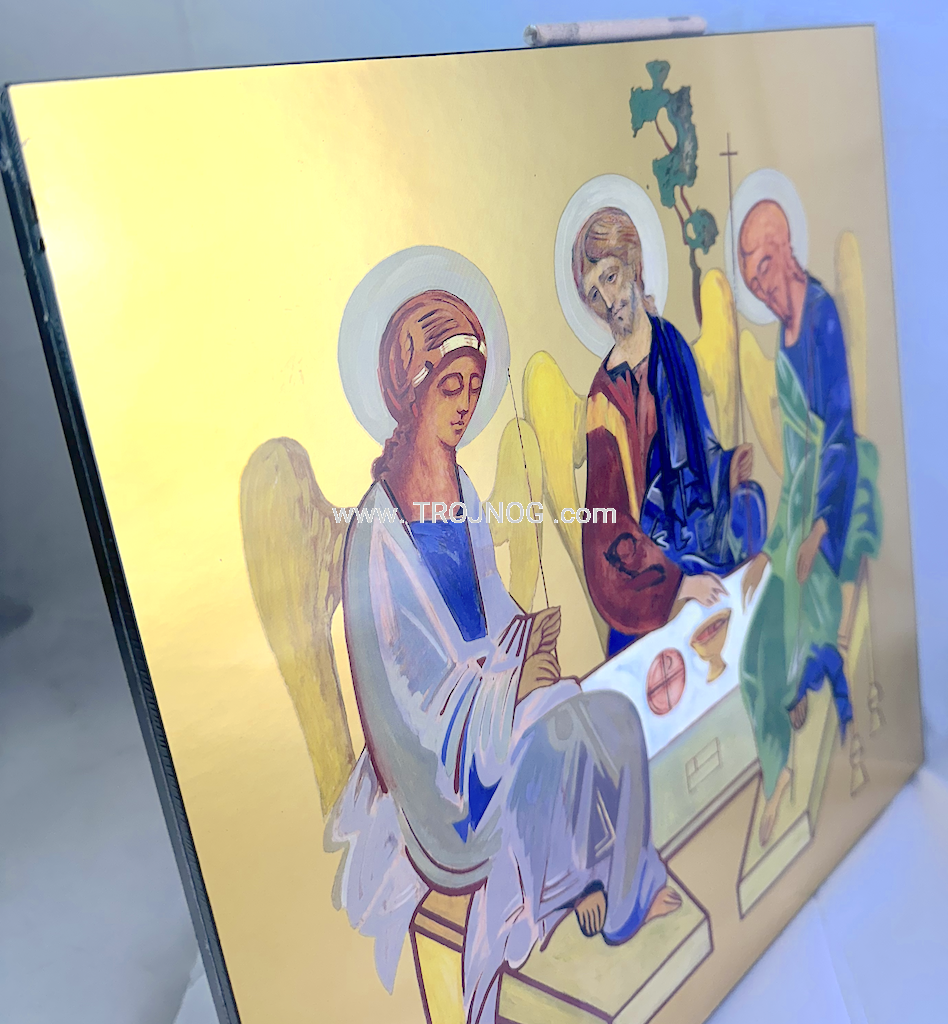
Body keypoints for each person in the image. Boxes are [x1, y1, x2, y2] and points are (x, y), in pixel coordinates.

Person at [328, 290, 680, 1024]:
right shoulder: (376, 533)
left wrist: (530, 639)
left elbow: (491, 614)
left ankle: (618, 889)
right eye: (449, 388)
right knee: (562, 726)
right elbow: (407, 701)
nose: (465, 405)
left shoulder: (459, 488)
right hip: (443, 776)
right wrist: (509, 689)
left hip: (489, 714)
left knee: (610, 715)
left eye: (474, 387)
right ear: (412, 395)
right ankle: (580, 886)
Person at [737, 199, 881, 846]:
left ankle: (802, 690)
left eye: (766, 268)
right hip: (798, 518)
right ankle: (778, 770)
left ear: (786, 249)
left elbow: (840, 437)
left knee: (803, 611)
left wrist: (821, 528)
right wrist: (772, 547)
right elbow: (794, 466)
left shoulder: (819, 316)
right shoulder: (780, 339)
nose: (763, 287)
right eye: (753, 280)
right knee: (752, 653)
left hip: (838, 503)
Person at [575, 207, 767, 656]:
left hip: (696, 527)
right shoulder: (604, 397)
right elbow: (606, 527)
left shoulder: (671, 343)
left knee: (751, 506)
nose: (608, 300)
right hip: (650, 567)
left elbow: (700, 449)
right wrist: (679, 584)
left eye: (610, 276)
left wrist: (725, 470)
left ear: (635, 266)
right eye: (594, 293)